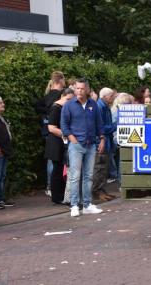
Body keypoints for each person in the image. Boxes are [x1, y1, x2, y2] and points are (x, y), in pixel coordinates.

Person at [61, 78, 105, 217]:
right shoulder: (69, 105)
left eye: (82, 88)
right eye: (77, 88)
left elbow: (99, 123)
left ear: (87, 90)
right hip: (76, 144)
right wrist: (71, 138)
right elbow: (64, 124)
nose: (79, 91)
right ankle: (74, 205)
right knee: (75, 176)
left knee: (88, 175)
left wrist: (102, 138)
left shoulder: (93, 104)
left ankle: (87, 204)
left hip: (91, 144)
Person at [35, 71, 65, 196]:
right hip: (55, 130)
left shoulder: (46, 96)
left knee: (52, 159)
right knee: (55, 160)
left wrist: (46, 114)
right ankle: (52, 186)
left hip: (46, 129)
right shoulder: (59, 96)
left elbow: (37, 106)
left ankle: (50, 186)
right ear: (60, 80)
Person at [44, 88, 75, 204]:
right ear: (62, 96)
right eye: (68, 99)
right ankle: (57, 197)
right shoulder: (56, 108)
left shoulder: (62, 107)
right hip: (56, 143)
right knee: (57, 170)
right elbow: (51, 127)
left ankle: (61, 195)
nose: (69, 102)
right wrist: (66, 134)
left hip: (61, 142)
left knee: (60, 169)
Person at [92, 87, 116, 202]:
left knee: (103, 168)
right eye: (111, 96)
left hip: (107, 141)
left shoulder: (105, 107)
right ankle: (96, 191)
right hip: (101, 142)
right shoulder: (100, 107)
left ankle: (101, 190)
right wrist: (116, 125)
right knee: (99, 168)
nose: (113, 98)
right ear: (105, 97)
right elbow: (100, 127)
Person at [111, 93, 135, 183]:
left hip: (118, 138)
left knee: (121, 160)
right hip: (120, 138)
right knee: (123, 160)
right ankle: (122, 181)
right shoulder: (119, 113)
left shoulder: (114, 111)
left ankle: (122, 180)